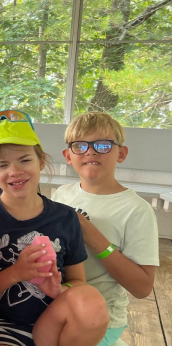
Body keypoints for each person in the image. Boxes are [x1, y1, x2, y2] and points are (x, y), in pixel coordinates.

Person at [0, 110, 109, 346]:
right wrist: (18, 272)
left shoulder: (65, 218)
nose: (15, 171)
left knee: (91, 301)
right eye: (2, 164)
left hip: (53, 321)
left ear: (41, 160)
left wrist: (59, 289)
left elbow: (79, 283)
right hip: (1, 324)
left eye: (24, 160)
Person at [52, 112, 158, 346]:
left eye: (103, 145)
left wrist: (92, 236)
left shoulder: (136, 210)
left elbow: (142, 288)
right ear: (68, 156)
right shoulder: (61, 194)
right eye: (80, 145)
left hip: (101, 321)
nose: (91, 151)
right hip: (58, 306)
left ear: (121, 153)